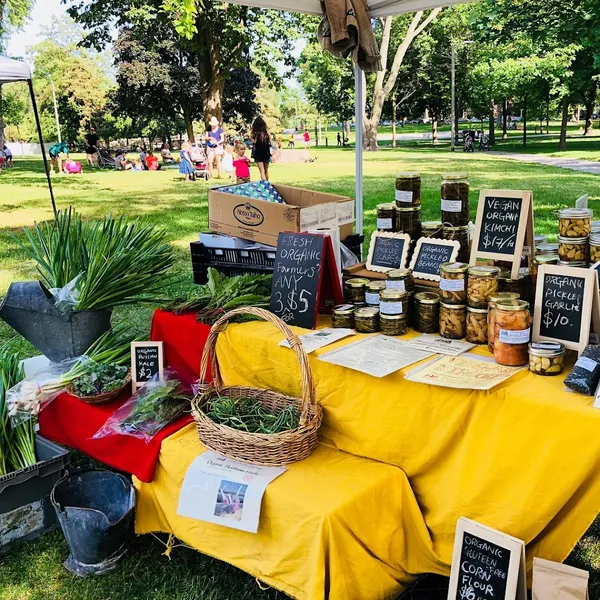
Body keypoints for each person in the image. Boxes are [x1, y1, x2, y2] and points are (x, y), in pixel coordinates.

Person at [251, 117, 271, 181]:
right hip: (266, 153)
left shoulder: (254, 133)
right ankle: (267, 184)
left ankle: (264, 184)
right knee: (266, 171)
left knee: (262, 171)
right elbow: (270, 142)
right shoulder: (266, 133)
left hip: (258, 154)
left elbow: (253, 142)